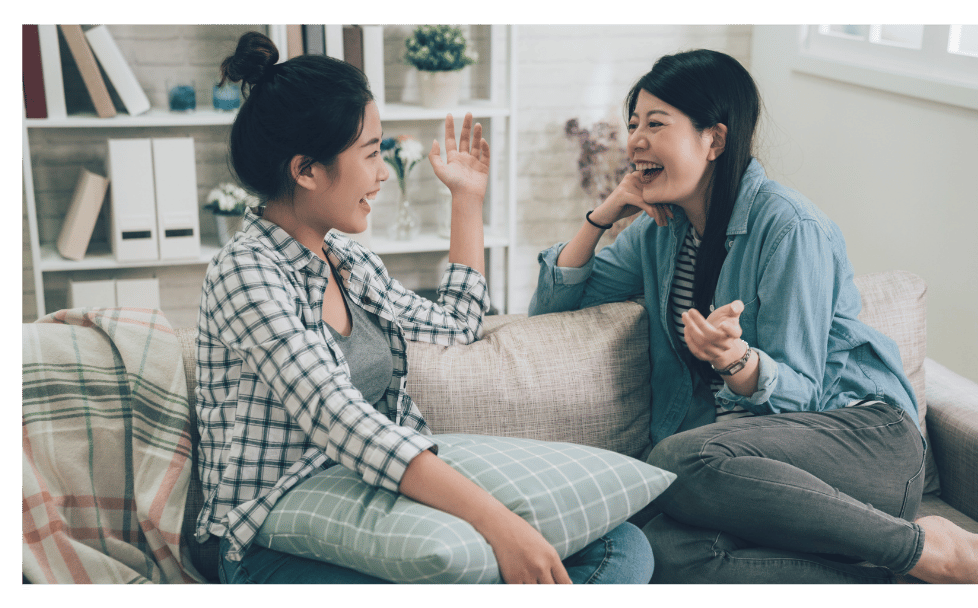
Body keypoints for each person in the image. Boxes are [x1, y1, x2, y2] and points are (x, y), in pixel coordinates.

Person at [529, 49, 978, 584]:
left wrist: (736, 361)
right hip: (753, 468)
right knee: (662, 554)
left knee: (679, 461)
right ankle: (893, 579)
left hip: (861, 441)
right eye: (633, 124)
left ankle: (925, 551)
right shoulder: (658, 232)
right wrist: (600, 218)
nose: (636, 140)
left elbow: (802, 393)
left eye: (655, 124)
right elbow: (553, 308)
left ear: (714, 139)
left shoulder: (790, 227)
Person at [195, 31, 653, 586]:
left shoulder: (347, 262)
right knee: (480, 566)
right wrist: (498, 523)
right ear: (307, 170)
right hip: (270, 540)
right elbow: (341, 420)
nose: (383, 172)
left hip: (367, 501)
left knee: (620, 547)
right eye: (370, 153)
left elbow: (459, 324)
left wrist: (467, 199)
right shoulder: (246, 273)